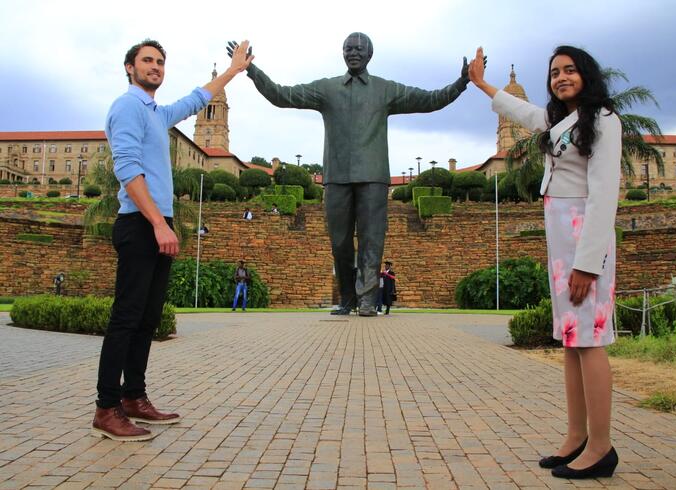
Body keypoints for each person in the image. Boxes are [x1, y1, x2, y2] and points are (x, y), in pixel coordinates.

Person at [228, 33, 470, 317]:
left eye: (359, 49)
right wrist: (252, 71)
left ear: (369, 54)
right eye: (348, 49)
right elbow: (282, 95)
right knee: (340, 242)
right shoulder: (327, 89)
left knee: (372, 238)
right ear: (342, 53)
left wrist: (461, 83)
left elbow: (430, 100)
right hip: (337, 175)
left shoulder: (386, 89)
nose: (353, 53)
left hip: (373, 175)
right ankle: (347, 297)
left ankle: (366, 299)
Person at [469, 45, 621, 479]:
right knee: (572, 341)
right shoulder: (558, 121)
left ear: (587, 75)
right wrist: (481, 84)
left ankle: (602, 446)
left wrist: (588, 263)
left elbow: (604, 194)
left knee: (589, 340)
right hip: (561, 236)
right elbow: (522, 112)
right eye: (555, 72)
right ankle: (576, 437)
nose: (561, 77)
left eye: (570, 70)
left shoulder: (605, 121)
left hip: (584, 236)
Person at [93, 38, 254, 442]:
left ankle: (134, 398)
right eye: (147, 61)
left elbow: (194, 100)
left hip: (156, 224)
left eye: (161, 62)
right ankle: (106, 408)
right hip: (139, 223)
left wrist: (233, 71)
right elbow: (127, 170)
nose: (156, 67)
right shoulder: (127, 106)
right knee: (126, 319)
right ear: (129, 67)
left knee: (147, 319)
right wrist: (158, 224)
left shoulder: (155, 112)